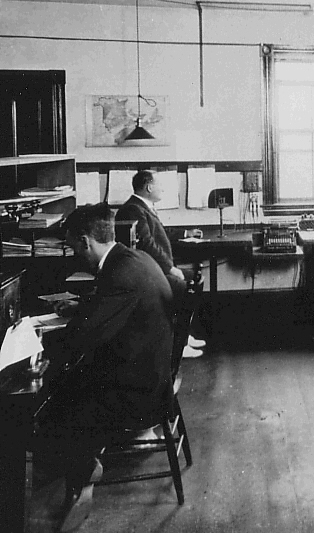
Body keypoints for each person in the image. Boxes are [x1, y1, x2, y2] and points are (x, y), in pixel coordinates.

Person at [33, 203, 175, 532]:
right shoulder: (132, 258)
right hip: (151, 373)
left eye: (71, 245)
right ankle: (70, 463)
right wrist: (82, 306)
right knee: (67, 388)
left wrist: (36, 348)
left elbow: (82, 338)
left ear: (85, 242)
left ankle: (77, 476)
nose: (72, 252)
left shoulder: (119, 274)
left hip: (140, 394)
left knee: (57, 398)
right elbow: (113, 307)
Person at [115, 170, 204, 357]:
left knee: (195, 279)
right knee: (180, 285)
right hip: (148, 273)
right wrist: (170, 268)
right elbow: (148, 244)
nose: (163, 189)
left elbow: (160, 232)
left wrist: (187, 233)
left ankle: (183, 335)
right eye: (159, 185)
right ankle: (177, 345)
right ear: (148, 187)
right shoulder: (133, 209)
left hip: (155, 269)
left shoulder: (142, 207)